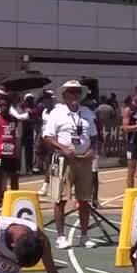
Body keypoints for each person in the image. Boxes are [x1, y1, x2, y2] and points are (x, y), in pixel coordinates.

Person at [48, 81, 98, 249]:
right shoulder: (56, 113)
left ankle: (84, 236)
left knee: (84, 199)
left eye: (77, 92)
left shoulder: (87, 113)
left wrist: (93, 149)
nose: (75, 95)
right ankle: (61, 236)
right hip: (65, 160)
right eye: (71, 92)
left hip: (84, 160)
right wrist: (62, 148)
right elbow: (47, 136)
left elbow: (94, 135)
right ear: (64, 95)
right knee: (61, 199)